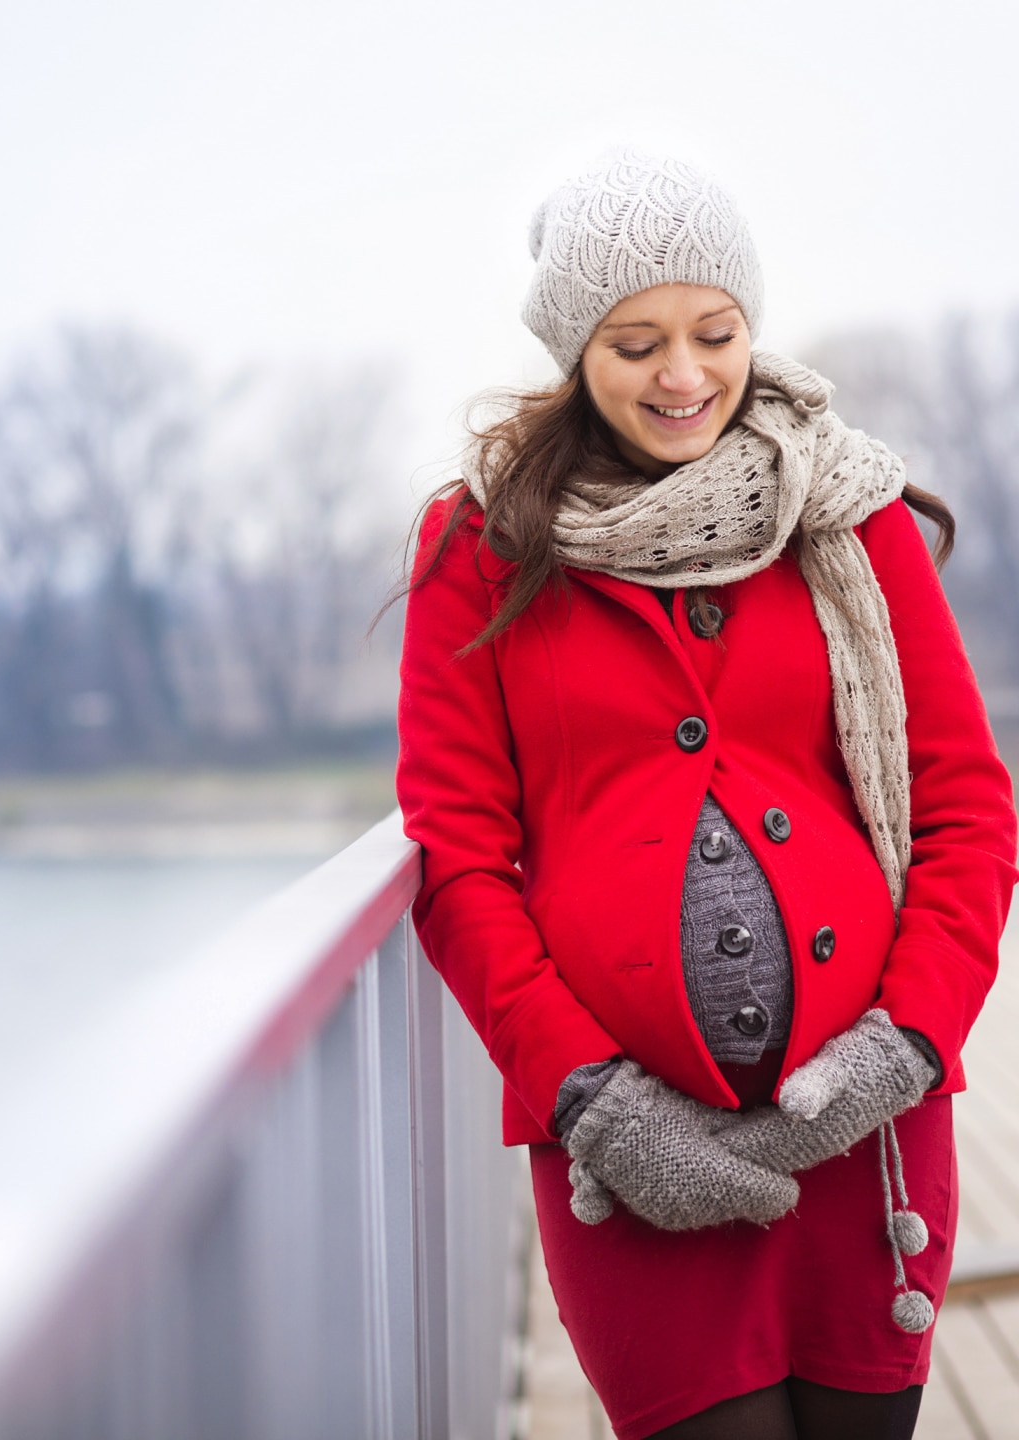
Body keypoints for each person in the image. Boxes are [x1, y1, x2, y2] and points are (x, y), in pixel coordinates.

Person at [394, 150, 1019, 1440]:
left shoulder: (854, 517)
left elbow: (967, 807)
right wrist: (588, 1098)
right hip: (632, 1167)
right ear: (575, 351)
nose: (684, 377)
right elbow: (456, 857)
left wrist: (907, 1044)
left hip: (869, 1142)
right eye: (635, 344)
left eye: (715, 333)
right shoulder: (482, 543)